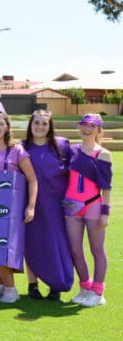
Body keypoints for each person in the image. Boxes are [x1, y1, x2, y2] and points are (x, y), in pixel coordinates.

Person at [0, 111, 38, 303]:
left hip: (9, 211)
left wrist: (31, 206)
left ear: (7, 127)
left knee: (1, 248)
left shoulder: (17, 150)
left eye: (0, 124)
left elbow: (32, 179)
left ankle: (11, 288)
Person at [22, 110, 74, 300]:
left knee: (56, 244)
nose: (40, 127)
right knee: (32, 244)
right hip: (30, 204)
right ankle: (32, 285)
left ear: (50, 126)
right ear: (30, 125)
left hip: (56, 205)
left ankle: (56, 284)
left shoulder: (62, 146)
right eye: (36, 123)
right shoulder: (22, 147)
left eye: (44, 123)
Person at [65, 113, 112, 307]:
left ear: (98, 130)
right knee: (76, 250)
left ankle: (98, 292)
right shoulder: (71, 150)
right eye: (83, 125)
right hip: (70, 205)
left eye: (91, 126)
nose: (86, 128)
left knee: (96, 249)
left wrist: (105, 213)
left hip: (93, 204)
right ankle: (85, 288)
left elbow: (106, 187)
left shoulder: (103, 153)